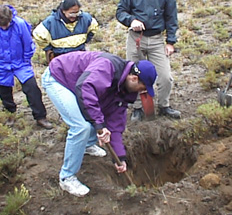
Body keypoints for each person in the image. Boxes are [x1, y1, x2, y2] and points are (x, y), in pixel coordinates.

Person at [41, 50, 157, 197]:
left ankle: (87, 145)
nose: (143, 92)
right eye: (143, 88)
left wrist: (120, 157)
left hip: (77, 84)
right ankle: (67, 177)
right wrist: (99, 126)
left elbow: (115, 125)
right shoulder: (107, 67)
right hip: (58, 77)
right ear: (134, 78)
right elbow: (85, 88)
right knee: (81, 127)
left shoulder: (125, 91)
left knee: (96, 120)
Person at [116, 0, 181, 121]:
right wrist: (131, 20)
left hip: (157, 39)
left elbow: (171, 17)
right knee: (134, 75)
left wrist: (171, 42)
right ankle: (137, 108)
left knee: (165, 76)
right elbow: (120, 12)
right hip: (136, 39)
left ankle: (164, 106)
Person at [0, 5, 52, 129]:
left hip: (20, 63)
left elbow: (28, 44)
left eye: (6, 24)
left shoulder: (20, 24)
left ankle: (40, 117)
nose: (3, 27)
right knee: (3, 91)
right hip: (0, 64)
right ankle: (10, 113)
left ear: (11, 19)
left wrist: (26, 60)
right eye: (0, 25)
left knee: (32, 89)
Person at [33, 0, 99, 63]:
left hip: (80, 56)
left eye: (77, 12)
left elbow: (93, 28)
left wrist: (85, 40)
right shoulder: (50, 22)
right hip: (60, 58)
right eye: (72, 13)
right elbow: (38, 35)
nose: (75, 16)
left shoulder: (86, 18)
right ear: (63, 11)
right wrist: (49, 49)